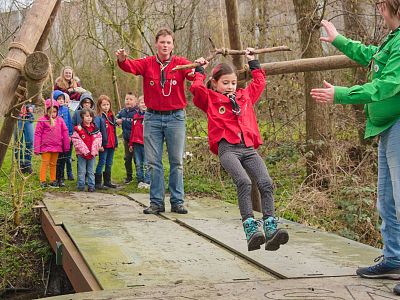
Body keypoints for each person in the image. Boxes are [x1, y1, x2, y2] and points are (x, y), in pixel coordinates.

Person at [310, 1, 400, 295]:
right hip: (387, 126)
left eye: (381, 5)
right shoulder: (393, 38)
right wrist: (339, 40)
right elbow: (372, 57)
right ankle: (394, 258)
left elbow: (385, 85)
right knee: (386, 200)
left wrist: (341, 94)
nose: (378, 11)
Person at [190, 49, 289, 251]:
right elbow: (197, 89)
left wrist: (253, 63)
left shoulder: (244, 97)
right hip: (228, 150)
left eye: (233, 83)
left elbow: (259, 84)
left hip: (248, 149)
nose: (230, 87)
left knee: (265, 182)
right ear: (215, 83)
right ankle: (250, 229)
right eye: (225, 83)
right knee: (243, 181)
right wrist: (199, 70)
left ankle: (271, 228)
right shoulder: (210, 99)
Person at [116, 28, 194, 214]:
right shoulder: (148, 63)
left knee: (176, 161)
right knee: (154, 161)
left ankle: (177, 202)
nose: (165, 45)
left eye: (168, 42)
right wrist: (122, 59)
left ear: (173, 45)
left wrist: (198, 68)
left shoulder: (180, 64)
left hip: (175, 117)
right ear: (156, 44)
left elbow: (195, 75)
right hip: (152, 117)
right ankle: (157, 202)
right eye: (162, 42)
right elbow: (130, 66)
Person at [34, 99, 70, 188]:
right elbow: (37, 134)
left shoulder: (60, 120)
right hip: (45, 147)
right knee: (45, 163)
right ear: (46, 111)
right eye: (50, 112)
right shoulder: (42, 121)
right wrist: (37, 148)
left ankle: (53, 180)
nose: (52, 114)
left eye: (54, 112)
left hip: (57, 146)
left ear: (57, 111)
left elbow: (65, 132)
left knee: (53, 164)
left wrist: (66, 146)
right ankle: (42, 180)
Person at [71, 108, 102, 192]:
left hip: (92, 154)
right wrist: (84, 150)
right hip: (82, 154)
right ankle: (81, 185)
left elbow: (98, 139)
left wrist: (94, 150)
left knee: (91, 171)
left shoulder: (95, 129)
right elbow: (76, 140)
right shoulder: (79, 129)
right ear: (82, 117)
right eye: (87, 116)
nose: (89, 118)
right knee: (82, 171)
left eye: (91, 116)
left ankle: (91, 186)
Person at [95, 95, 118, 189]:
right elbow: (97, 132)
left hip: (112, 144)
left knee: (109, 162)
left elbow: (114, 131)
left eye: (107, 104)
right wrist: (99, 145)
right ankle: (98, 182)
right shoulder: (99, 118)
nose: (106, 107)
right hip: (104, 145)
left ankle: (107, 181)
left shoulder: (112, 117)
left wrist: (116, 143)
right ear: (99, 106)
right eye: (104, 105)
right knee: (102, 162)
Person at [116, 92, 138, 184]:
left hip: (136, 140)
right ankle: (129, 176)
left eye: (130, 99)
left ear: (135, 101)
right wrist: (118, 121)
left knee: (137, 158)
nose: (128, 101)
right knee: (127, 158)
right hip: (126, 139)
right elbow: (115, 119)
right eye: (126, 99)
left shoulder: (137, 112)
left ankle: (139, 176)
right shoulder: (122, 111)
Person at [129, 96, 150, 189]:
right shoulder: (135, 117)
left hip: (146, 144)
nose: (144, 104)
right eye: (142, 102)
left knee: (147, 163)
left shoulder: (150, 116)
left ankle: (148, 181)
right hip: (136, 143)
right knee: (138, 163)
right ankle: (140, 180)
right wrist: (130, 144)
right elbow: (132, 131)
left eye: (146, 103)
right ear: (138, 104)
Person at [54, 90, 73, 186]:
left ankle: (61, 178)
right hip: (56, 138)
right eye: (59, 99)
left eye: (62, 99)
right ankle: (55, 178)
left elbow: (69, 122)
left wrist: (70, 135)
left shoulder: (66, 110)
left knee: (63, 158)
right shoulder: (53, 110)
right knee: (56, 159)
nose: (61, 101)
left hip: (65, 138)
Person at [14, 103, 34, 174]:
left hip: (29, 118)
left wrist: (31, 107)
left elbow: (36, 100)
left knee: (30, 142)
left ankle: (27, 165)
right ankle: (20, 165)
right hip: (17, 118)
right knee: (18, 143)